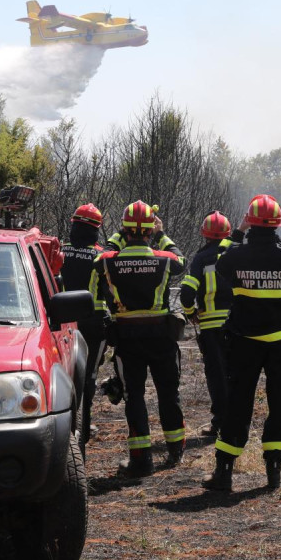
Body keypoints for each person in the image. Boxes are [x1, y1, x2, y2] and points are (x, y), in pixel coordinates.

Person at [204, 195, 281, 491]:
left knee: (238, 403)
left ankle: (224, 473)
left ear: (250, 221)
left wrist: (238, 232)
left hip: (244, 340)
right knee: (280, 403)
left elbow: (220, 262)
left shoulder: (236, 255)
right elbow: (279, 256)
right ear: (277, 224)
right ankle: (274, 471)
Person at [90, 201, 186, 477]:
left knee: (134, 397)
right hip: (161, 336)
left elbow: (101, 256)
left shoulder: (109, 260)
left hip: (128, 338)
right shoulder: (164, 258)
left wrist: (118, 235)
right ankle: (175, 450)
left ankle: (141, 460)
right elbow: (179, 258)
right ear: (149, 231)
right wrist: (162, 234)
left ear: (125, 229)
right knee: (169, 393)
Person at [59, 203, 111, 450]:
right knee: (88, 377)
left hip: (60, 323)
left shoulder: (58, 251)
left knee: (61, 376)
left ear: (73, 225)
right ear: (96, 230)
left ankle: (67, 427)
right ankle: (83, 430)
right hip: (93, 324)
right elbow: (110, 293)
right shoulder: (100, 256)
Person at [179, 211, 234, 439]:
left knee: (216, 375)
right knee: (237, 374)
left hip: (211, 326)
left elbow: (186, 293)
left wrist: (191, 312)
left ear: (204, 234)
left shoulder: (201, 258)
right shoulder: (235, 251)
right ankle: (238, 422)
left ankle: (220, 423)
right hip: (237, 324)